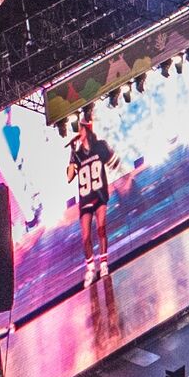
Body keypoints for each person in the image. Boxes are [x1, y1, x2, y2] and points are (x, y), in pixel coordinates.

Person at [68, 110, 117, 285]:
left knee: (101, 228)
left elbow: (113, 162)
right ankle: (90, 269)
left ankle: (103, 264)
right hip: (85, 199)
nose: (78, 133)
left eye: (80, 129)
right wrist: (72, 153)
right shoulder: (77, 154)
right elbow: (69, 177)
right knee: (85, 237)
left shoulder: (99, 146)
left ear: (86, 129)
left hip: (99, 194)